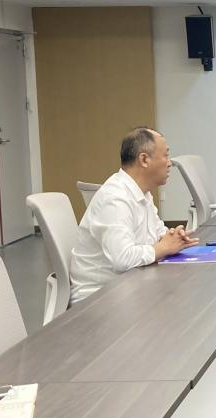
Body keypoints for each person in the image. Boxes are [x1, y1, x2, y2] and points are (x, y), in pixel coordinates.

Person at [70, 127, 197, 303]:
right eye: (165, 156)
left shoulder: (142, 192)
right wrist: (163, 248)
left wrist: (172, 237)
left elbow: (158, 232)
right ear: (144, 159)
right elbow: (122, 258)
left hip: (129, 284)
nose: (169, 163)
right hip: (98, 297)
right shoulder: (115, 199)